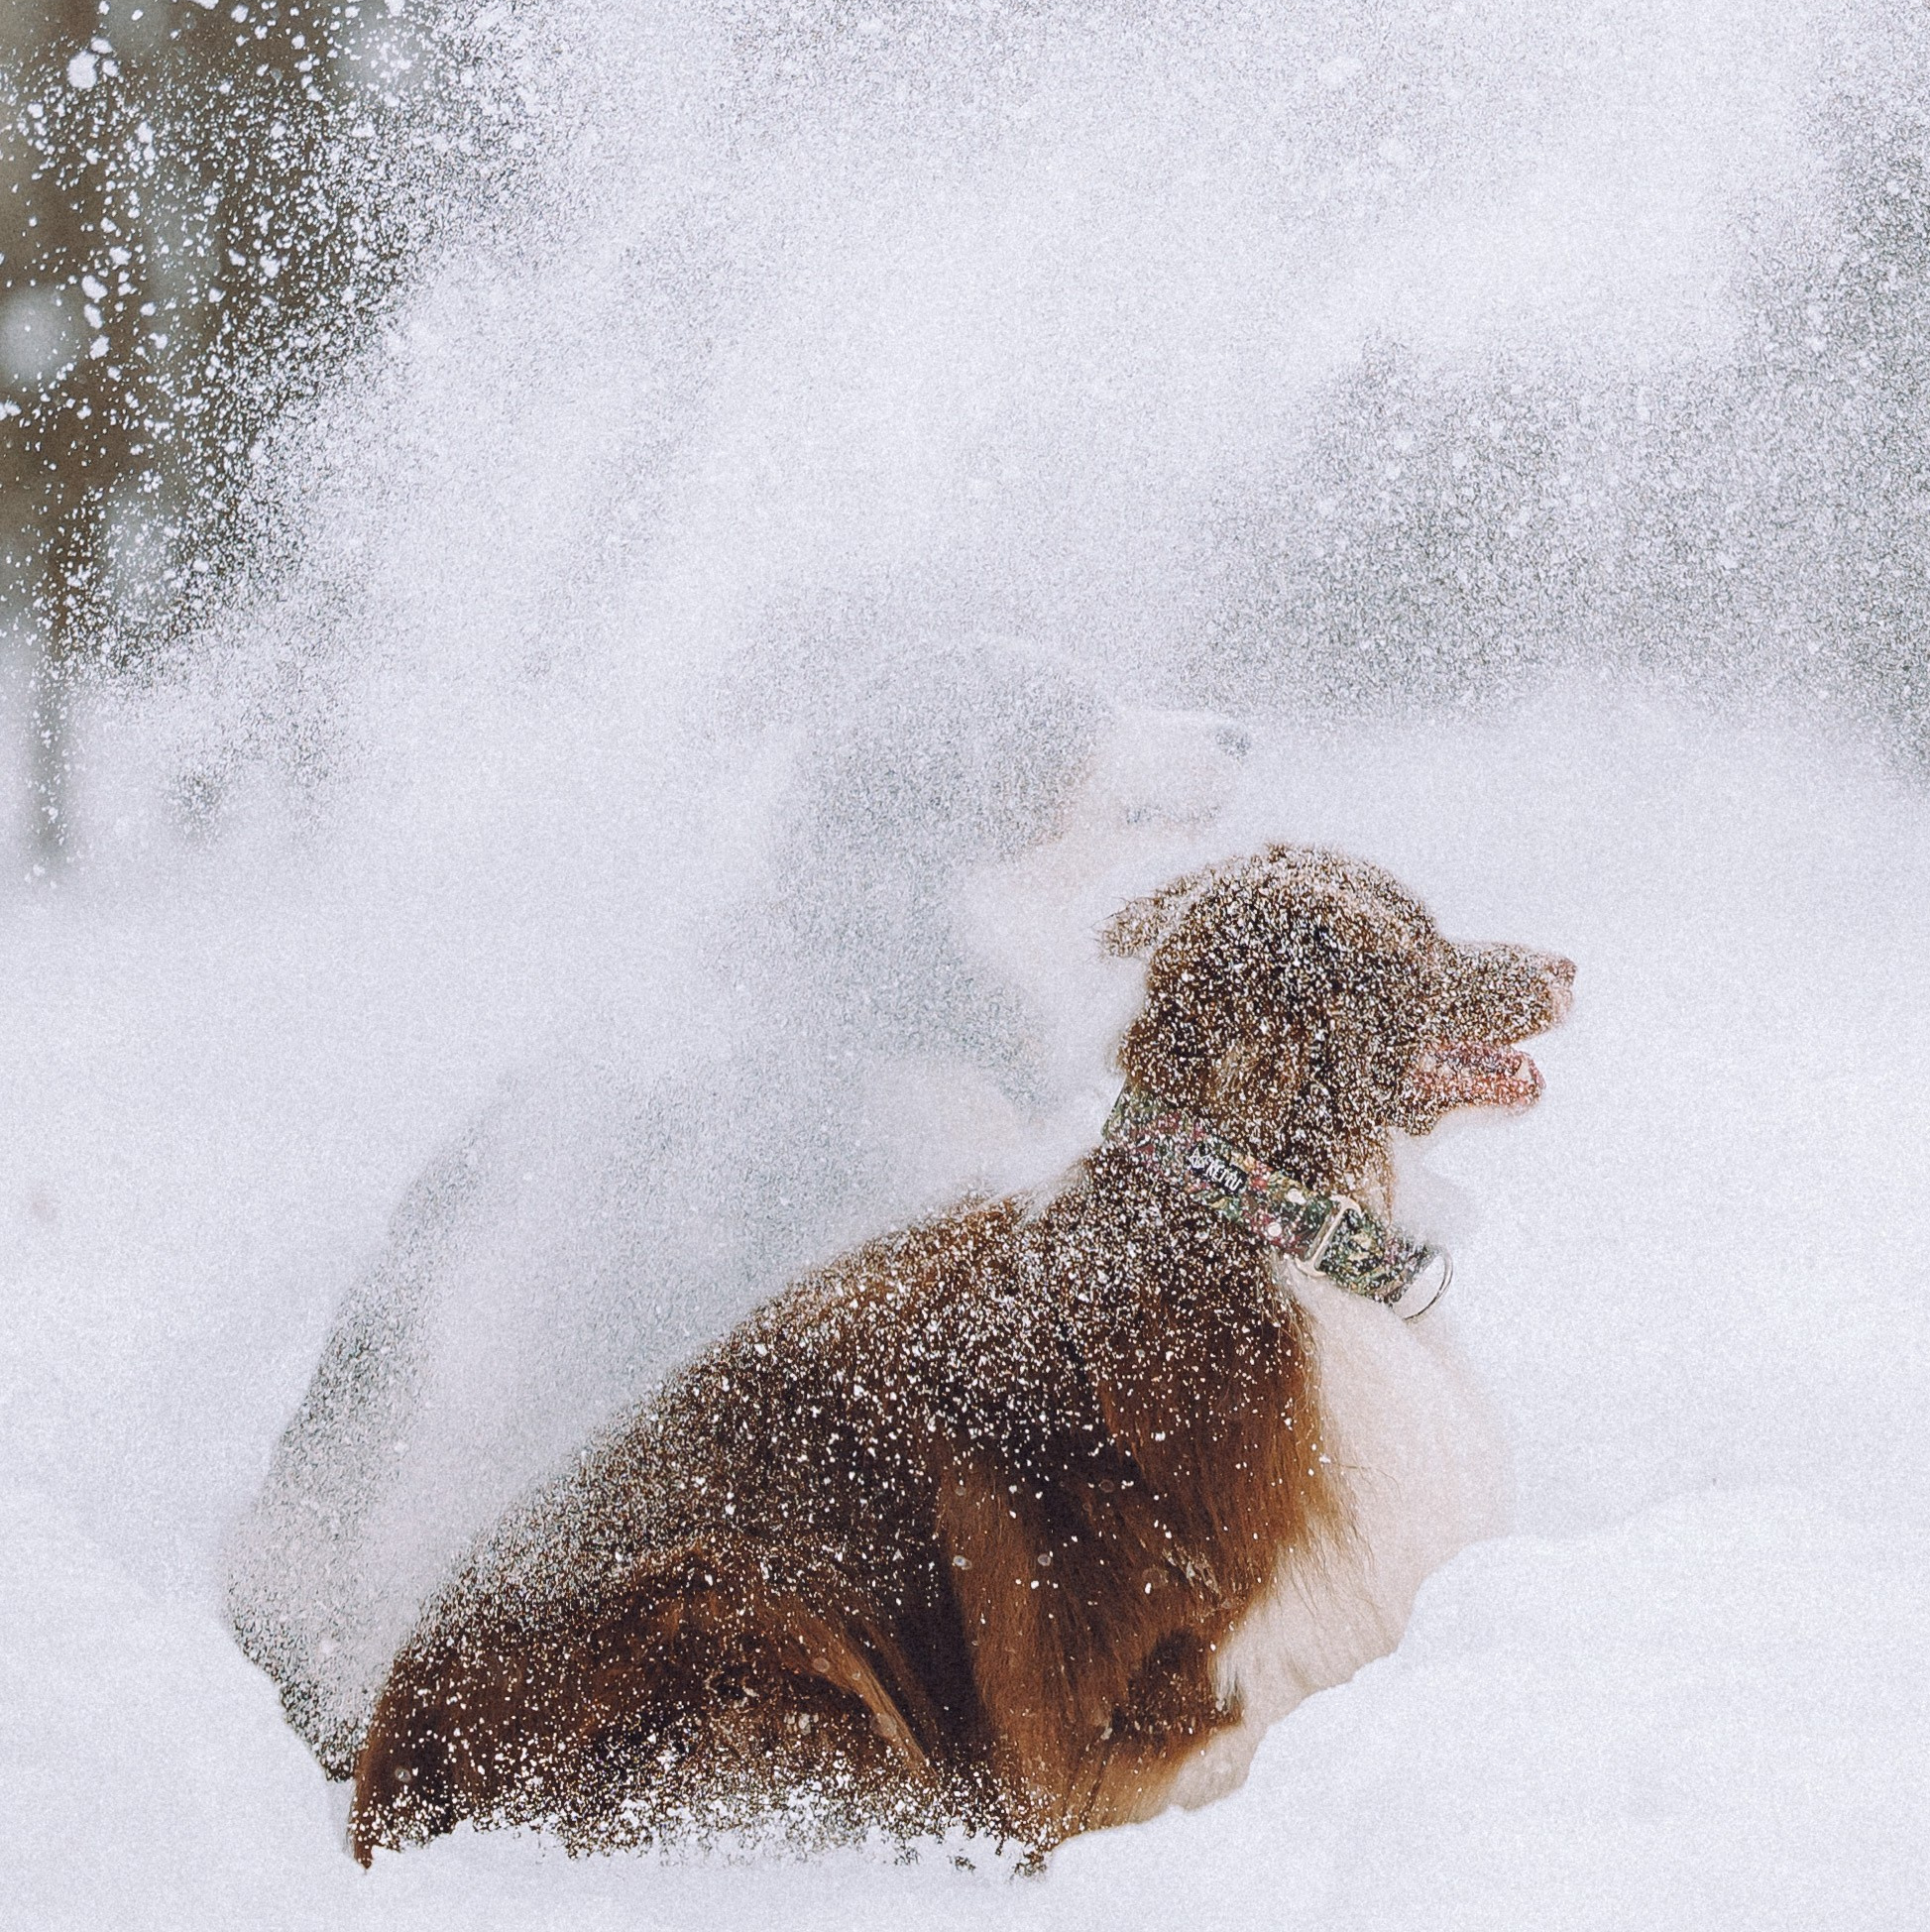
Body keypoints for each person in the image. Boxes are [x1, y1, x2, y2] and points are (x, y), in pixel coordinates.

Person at [225, 630, 1249, 1773]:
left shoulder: (781, 1041)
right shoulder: (875, 1109)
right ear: (953, 817)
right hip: (473, 1657)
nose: (1153, 747)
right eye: (1071, 736)